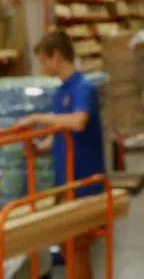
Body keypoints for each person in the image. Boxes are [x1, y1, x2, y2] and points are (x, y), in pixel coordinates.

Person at [15, 31, 106, 199]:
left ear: (56, 56)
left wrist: (37, 118)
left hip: (85, 184)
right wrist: (39, 148)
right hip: (65, 182)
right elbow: (60, 132)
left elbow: (78, 122)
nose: (43, 67)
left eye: (44, 61)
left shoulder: (83, 88)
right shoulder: (59, 93)